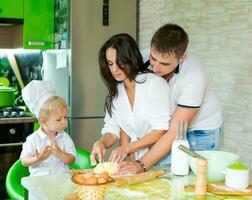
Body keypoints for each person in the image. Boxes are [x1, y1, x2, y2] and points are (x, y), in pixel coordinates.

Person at [117, 23, 223, 174]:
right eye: (154, 58)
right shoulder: (141, 58)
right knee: (156, 174)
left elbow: (174, 131)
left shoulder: (194, 75)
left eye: (165, 63)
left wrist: (140, 164)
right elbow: (127, 105)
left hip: (199, 133)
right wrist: (128, 151)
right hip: (167, 129)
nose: (156, 68)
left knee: (185, 182)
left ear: (182, 57)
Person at [90, 33, 171, 171]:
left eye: (120, 62)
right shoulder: (114, 92)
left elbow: (161, 130)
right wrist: (101, 143)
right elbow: (112, 129)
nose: (114, 69)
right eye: (110, 63)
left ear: (131, 58)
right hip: (135, 160)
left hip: (161, 158)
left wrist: (126, 148)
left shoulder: (154, 84)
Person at [20, 80, 76, 176]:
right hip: (39, 185)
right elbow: (24, 161)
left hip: (60, 184)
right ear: (43, 121)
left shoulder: (64, 138)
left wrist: (60, 153)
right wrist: (38, 159)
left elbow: (72, 160)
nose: (65, 122)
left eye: (65, 117)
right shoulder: (33, 139)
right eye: (59, 119)